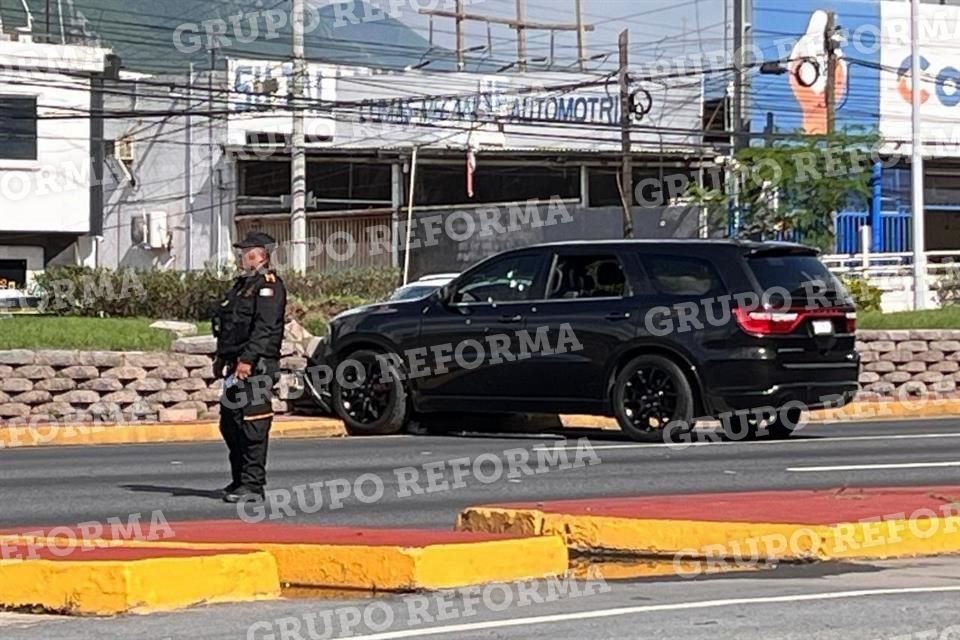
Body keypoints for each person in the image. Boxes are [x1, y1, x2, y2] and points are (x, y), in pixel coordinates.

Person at [212, 231, 287, 503]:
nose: (242, 256)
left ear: (261, 254)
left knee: (253, 425)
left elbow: (264, 329)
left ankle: (253, 485)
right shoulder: (242, 286)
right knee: (230, 424)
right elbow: (230, 326)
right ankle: (239, 479)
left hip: (256, 366)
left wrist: (248, 360)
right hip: (235, 365)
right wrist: (222, 358)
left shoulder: (269, 286)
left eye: (247, 252)